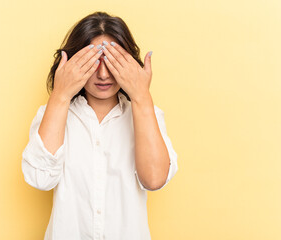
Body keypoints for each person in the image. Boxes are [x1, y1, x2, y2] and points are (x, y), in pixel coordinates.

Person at [21, 11, 178, 240]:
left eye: (112, 62)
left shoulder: (147, 115)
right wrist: (61, 94)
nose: (103, 75)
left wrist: (141, 96)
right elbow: (40, 179)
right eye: (93, 62)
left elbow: (154, 180)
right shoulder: (52, 113)